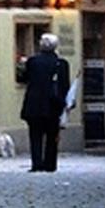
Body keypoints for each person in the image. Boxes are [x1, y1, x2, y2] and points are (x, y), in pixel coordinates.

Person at [21, 33, 71, 173]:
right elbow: (65, 86)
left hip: (34, 105)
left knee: (35, 135)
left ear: (41, 46)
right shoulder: (61, 64)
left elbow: (24, 78)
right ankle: (50, 164)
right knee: (52, 136)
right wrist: (66, 104)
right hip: (53, 105)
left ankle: (37, 163)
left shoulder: (33, 62)